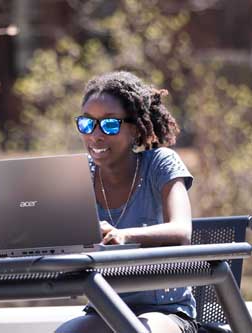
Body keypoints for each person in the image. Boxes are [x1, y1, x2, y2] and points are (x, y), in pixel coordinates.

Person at [56, 71, 198, 333]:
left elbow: (181, 231)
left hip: (167, 312)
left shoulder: (160, 163)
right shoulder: (78, 176)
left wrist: (123, 236)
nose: (95, 135)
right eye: (87, 124)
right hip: (104, 307)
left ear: (135, 129)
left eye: (110, 125)